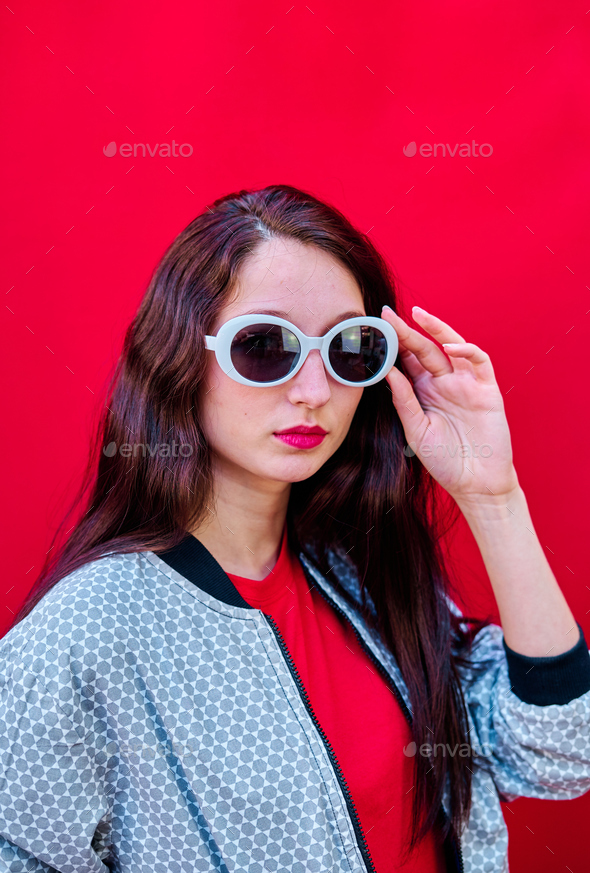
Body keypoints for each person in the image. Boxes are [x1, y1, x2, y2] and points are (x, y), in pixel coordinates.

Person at [1, 184, 589, 873]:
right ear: (180, 358)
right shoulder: (92, 628)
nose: (313, 388)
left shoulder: (360, 579)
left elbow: (562, 749)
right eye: (265, 345)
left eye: (348, 347)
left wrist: (493, 494)